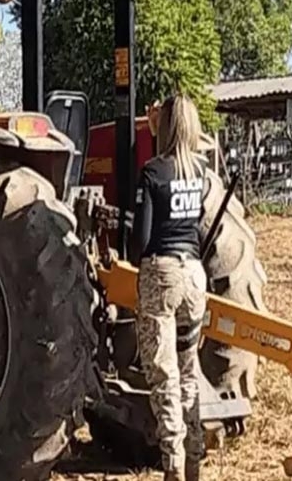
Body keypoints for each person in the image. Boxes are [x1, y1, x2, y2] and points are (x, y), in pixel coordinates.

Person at [131, 94, 208, 481]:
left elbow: (141, 241)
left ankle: (173, 468)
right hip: (195, 277)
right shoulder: (201, 171)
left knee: (164, 377)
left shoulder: (152, 173)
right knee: (189, 371)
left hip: (162, 276)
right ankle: (195, 461)